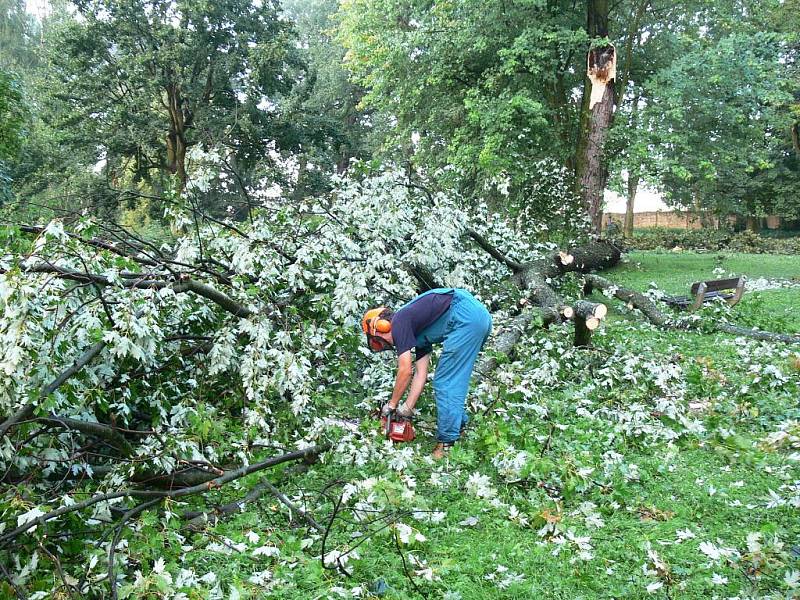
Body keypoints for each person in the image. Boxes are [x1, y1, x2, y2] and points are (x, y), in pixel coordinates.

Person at [361, 288, 492, 459]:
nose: (386, 346)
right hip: (476, 317)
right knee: (451, 380)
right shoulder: (416, 332)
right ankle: (458, 428)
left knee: (446, 382)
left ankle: (447, 444)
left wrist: (391, 406)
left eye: (379, 343)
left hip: (465, 317)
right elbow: (420, 374)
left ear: (381, 327)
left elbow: (405, 370)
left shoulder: (400, 320)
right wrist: (405, 409)